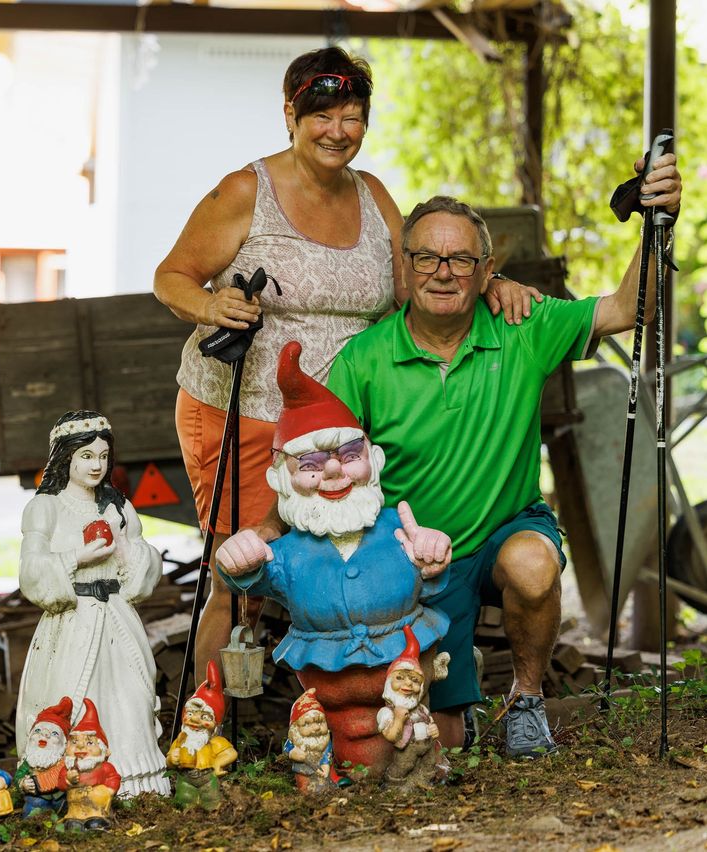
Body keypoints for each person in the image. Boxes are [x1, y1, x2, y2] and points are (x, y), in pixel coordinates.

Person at [154, 45, 537, 683]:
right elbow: (171, 277)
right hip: (245, 411)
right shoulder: (247, 191)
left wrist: (489, 282)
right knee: (241, 570)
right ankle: (209, 714)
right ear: (290, 115)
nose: (338, 131)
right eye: (322, 116)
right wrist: (211, 304)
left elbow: (420, 278)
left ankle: (336, 700)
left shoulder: (372, 194)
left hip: (340, 426)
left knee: (339, 563)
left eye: (352, 117)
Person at [323, 154, 682, 757]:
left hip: (504, 531)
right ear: (405, 267)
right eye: (427, 258)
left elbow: (630, 309)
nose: (443, 273)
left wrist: (656, 225)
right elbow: (332, 474)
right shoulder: (363, 359)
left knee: (534, 566)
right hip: (413, 558)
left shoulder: (524, 326)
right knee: (441, 742)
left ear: (486, 270)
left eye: (461, 259)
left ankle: (527, 701)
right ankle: (455, 701)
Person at [216, 341, 451, 776]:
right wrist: (235, 559)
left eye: (349, 456)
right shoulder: (288, 552)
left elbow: (431, 578)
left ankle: (410, 771)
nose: (333, 472)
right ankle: (343, 772)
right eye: (311, 464)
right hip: (331, 697)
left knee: (413, 742)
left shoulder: (397, 531)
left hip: (403, 685)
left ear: (373, 460)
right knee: (346, 752)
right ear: (282, 479)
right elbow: (247, 577)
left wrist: (432, 559)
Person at [15, 410, 170, 796]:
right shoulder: (46, 508)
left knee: (130, 697)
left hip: (117, 618)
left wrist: (125, 549)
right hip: (72, 621)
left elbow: (147, 567)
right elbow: (30, 571)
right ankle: (67, 783)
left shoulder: (118, 507)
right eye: (86, 456)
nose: (96, 465)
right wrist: (77, 558)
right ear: (65, 457)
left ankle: (133, 782)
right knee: (72, 696)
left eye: (103, 456)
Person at [377, 625, 450, 789]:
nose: (408, 684)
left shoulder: (421, 709)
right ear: (389, 682)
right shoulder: (387, 712)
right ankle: (394, 786)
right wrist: (398, 719)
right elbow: (391, 737)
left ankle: (423, 782)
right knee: (403, 766)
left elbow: (430, 722)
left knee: (429, 764)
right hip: (407, 748)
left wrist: (434, 730)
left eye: (415, 680)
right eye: (400, 678)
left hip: (426, 745)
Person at [166, 660, 238, 810]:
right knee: (184, 799)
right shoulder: (181, 740)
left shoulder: (214, 742)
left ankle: (213, 814)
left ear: (214, 724)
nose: (195, 720)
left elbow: (231, 753)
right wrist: (172, 759)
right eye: (190, 713)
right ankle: (185, 815)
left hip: (207, 778)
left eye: (204, 717)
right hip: (185, 778)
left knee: (211, 799)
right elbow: (169, 760)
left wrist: (218, 763)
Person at [58, 698, 121, 831]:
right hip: (75, 808)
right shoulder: (68, 769)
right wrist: (68, 780)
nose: (80, 746)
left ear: (104, 750)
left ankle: (96, 822)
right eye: (74, 742)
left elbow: (114, 778)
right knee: (72, 825)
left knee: (95, 823)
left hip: (97, 808)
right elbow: (61, 783)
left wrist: (108, 791)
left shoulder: (105, 767)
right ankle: (74, 822)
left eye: (90, 743)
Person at [15, 696, 74, 817]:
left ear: (64, 743)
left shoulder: (64, 762)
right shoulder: (28, 762)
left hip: (61, 798)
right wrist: (22, 783)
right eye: (38, 731)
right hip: (36, 798)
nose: (44, 735)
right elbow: (18, 775)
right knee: (32, 810)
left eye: (54, 733)